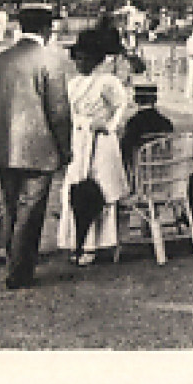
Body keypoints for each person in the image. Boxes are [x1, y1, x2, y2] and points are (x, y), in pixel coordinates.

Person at [0, 4, 74, 289]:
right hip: (39, 147)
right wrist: (65, 148)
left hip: (5, 146)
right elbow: (59, 113)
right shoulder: (50, 61)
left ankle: (15, 262)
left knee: (11, 207)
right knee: (31, 211)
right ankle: (20, 271)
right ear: (47, 30)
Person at [56, 25, 133, 266]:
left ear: (96, 59)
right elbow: (67, 113)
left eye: (86, 58)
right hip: (79, 140)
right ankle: (76, 242)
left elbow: (121, 106)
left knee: (99, 187)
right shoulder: (72, 84)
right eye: (77, 58)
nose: (80, 62)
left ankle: (96, 244)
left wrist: (109, 125)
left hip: (101, 142)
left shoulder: (107, 82)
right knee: (75, 186)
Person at [120, 82, 174, 174]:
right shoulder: (167, 123)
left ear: (136, 99)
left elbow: (126, 151)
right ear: (155, 99)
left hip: (142, 172)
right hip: (162, 172)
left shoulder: (134, 123)